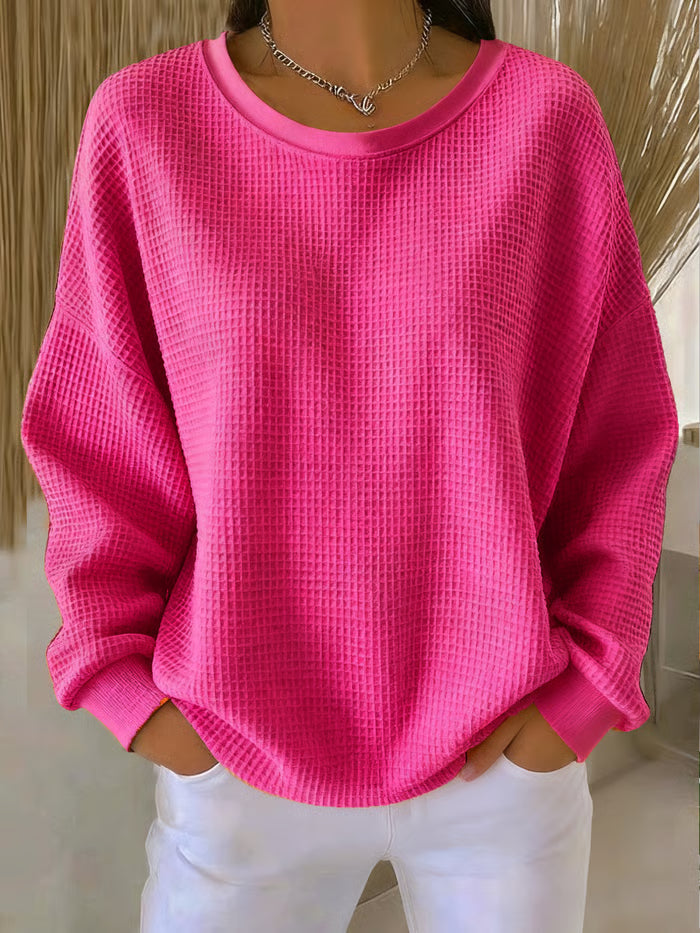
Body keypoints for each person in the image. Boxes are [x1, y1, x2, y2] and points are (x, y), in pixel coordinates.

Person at [20, 1, 679, 931]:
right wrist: (128, 692)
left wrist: (579, 698)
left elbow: (617, 434)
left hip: (500, 765)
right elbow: (100, 438)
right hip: (235, 763)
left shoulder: (544, 119)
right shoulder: (147, 123)